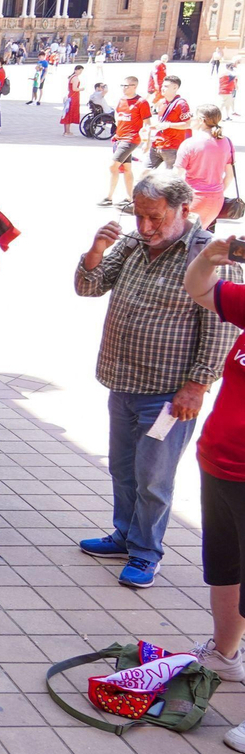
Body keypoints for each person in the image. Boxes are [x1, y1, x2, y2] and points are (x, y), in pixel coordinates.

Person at [75, 169, 238, 587]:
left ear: (184, 209)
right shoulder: (133, 241)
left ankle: (147, 552)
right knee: (122, 468)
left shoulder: (207, 253)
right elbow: (89, 286)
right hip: (122, 380)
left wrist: (196, 385)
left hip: (168, 392)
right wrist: (96, 250)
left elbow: (222, 329)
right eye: (140, 216)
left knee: (154, 477)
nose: (145, 227)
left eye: (155, 218)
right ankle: (125, 534)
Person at [182, 234, 245, 750]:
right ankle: (226, 655)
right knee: (224, 566)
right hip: (220, 464)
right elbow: (202, 291)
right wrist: (209, 257)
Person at [176, 103, 236, 230]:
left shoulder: (189, 144)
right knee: (201, 239)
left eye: (193, 116)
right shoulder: (227, 142)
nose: (190, 119)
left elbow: (176, 176)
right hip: (216, 200)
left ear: (201, 120)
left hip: (193, 198)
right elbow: (229, 176)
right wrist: (216, 191)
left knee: (182, 239)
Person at [104, 76, 151, 207]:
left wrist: (147, 142)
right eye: (123, 86)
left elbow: (147, 123)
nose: (124, 88)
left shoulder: (141, 102)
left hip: (131, 139)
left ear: (135, 86)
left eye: (127, 86)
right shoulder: (121, 100)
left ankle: (111, 197)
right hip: (119, 137)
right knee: (127, 169)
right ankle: (128, 198)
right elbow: (118, 116)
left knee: (113, 166)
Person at [150, 75, 191, 169]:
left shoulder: (181, 104)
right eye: (162, 86)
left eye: (166, 86)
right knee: (145, 172)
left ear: (175, 88)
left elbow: (188, 124)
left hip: (172, 146)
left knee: (171, 177)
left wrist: (168, 125)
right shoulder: (161, 102)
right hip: (157, 143)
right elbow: (161, 123)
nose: (162, 88)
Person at [60, 64, 84, 136]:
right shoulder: (75, 78)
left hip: (70, 95)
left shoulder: (71, 77)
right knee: (70, 113)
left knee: (67, 112)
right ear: (76, 70)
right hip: (74, 96)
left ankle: (66, 131)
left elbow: (69, 88)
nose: (80, 72)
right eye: (79, 70)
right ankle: (67, 131)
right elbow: (75, 88)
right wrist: (81, 89)